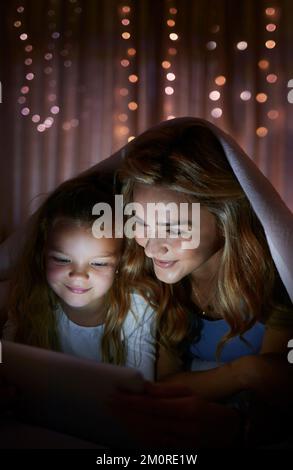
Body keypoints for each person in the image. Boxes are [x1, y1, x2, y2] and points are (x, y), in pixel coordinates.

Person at [112, 117, 293, 447]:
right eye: (140, 223)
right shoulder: (157, 279)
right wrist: (245, 372)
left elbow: (277, 405)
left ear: (225, 220)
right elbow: (163, 385)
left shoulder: (274, 281)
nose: (152, 247)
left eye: (176, 228)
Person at [2, 174, 156, 381]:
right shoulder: (27, 296)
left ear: (121, 263)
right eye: (62, 259)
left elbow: (142, 384)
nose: (78, 275)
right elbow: (5, 358)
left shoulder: (137, 306)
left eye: (99, 263)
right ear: (42, 256)